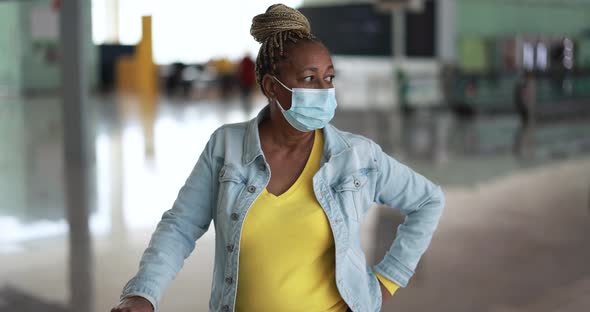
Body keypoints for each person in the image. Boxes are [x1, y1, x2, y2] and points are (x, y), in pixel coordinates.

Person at [111, 4, 444, 312]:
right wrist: (143, 292)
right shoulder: (226, 147)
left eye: (328, 78)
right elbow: (180, 226)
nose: (325, 91)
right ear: (272, 87)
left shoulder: (356, 157)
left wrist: (387, 280)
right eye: (309, 79)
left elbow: (428, 200)